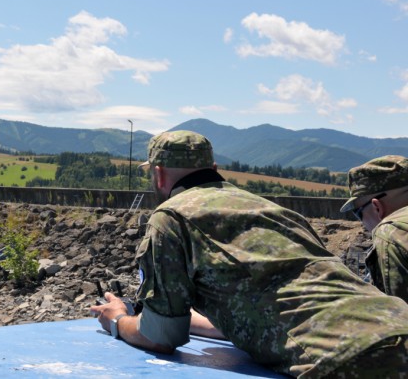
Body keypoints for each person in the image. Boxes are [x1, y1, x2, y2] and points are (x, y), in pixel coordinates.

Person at [91, 130, 408, 378]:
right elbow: (265, 312)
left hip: (346, 357)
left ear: (158, 175)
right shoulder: (275, 211)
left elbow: (160, 337)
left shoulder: (171, 217)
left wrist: (118, 320)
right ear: (214, 169)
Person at [342, 155, 408, 302]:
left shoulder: (390, 234)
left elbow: (400, 320)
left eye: (358, 213)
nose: (362, 223)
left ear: (377, 207)